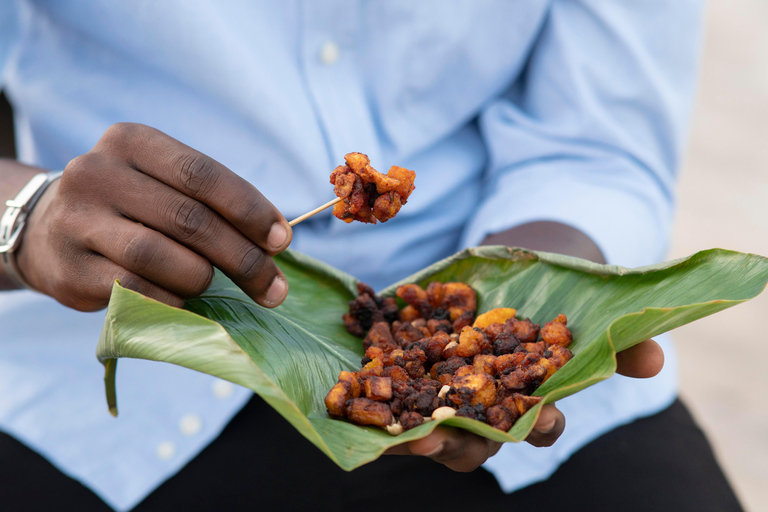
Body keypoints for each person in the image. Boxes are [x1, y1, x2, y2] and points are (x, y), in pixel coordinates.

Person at [0, 2, 744, 511]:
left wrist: (524, 309)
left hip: (495, 292)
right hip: (101, 353)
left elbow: (598, 144)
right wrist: (25, 217)